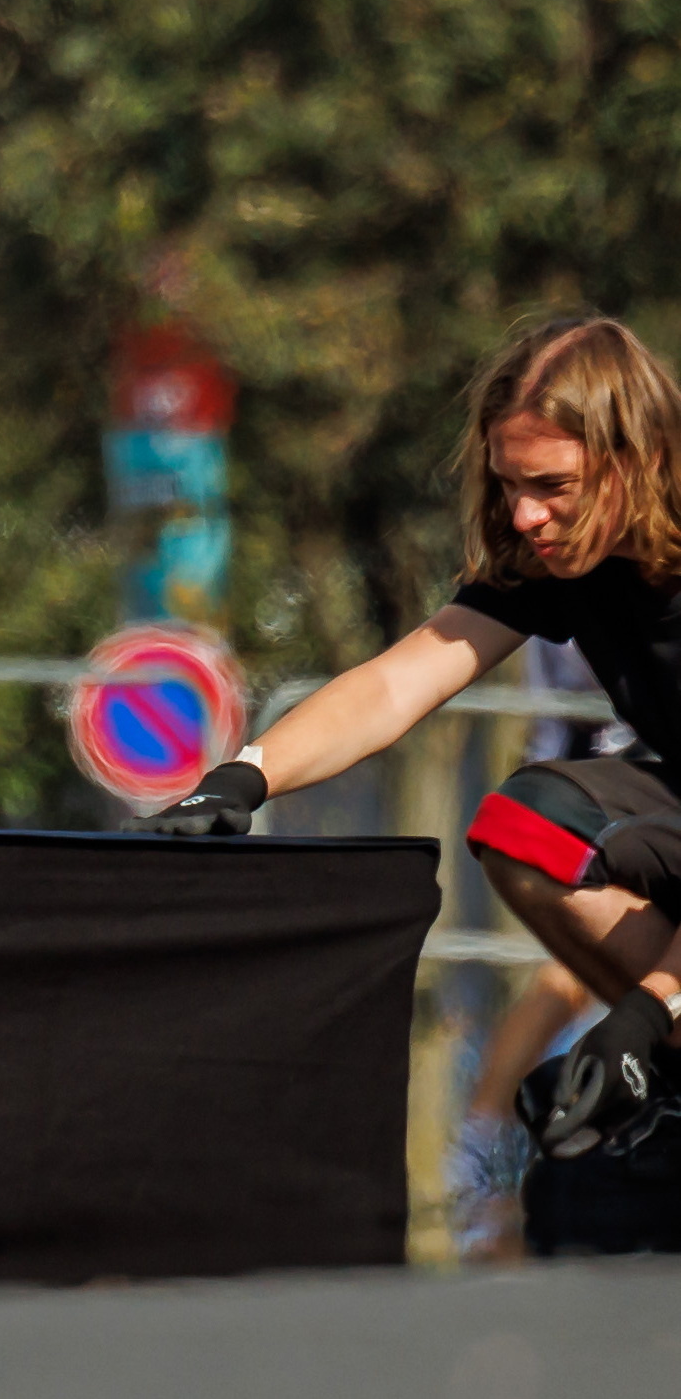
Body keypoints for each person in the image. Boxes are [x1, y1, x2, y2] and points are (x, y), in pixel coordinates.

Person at [153, 316, 681, 1160]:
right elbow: (400, 682)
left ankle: (651, 1048)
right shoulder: (558, 553)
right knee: (525, 823)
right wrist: (245, 777)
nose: (526, 514)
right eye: (509, 484)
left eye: (552, 485)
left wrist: (652, 1009)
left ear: (642, 458)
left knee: (649, 1015)